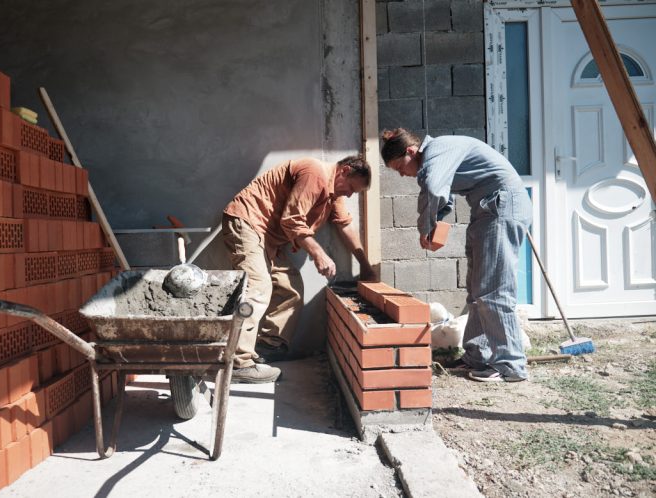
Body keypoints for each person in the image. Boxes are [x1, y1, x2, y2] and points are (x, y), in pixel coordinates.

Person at [381, 128, 533, 383]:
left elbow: (432, 187)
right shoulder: (440, 156)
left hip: (502, 207)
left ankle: (510, 364)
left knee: (494, 291)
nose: (402, 174)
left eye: (399, 167)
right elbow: (443, 194)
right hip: (488, 209)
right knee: (477, 290)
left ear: (410, 152)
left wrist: (426, 228)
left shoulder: (437, 150)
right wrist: (435, 221)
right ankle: (477, 356)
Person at [223, 156, 377, 383]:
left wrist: (365, 266)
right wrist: (318, 253)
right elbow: (291, 219)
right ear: (344, 171)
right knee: (258, 289)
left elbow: (344, 224)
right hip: (248, 223)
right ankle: (238, 363)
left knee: (291, 288)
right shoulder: (315, 174)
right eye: (352, 188)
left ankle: (267, 349)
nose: (350, 195)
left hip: (268, 239)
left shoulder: (332, 193)